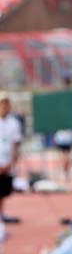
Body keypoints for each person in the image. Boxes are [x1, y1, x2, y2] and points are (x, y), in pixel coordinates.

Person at [0, 92, 23, 241]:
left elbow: (15, 144)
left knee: (2, 193)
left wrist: (11, 163)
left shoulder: (14, 123)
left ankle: (1, 216)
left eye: (6, 104)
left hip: (6, 165)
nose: (4, 107)